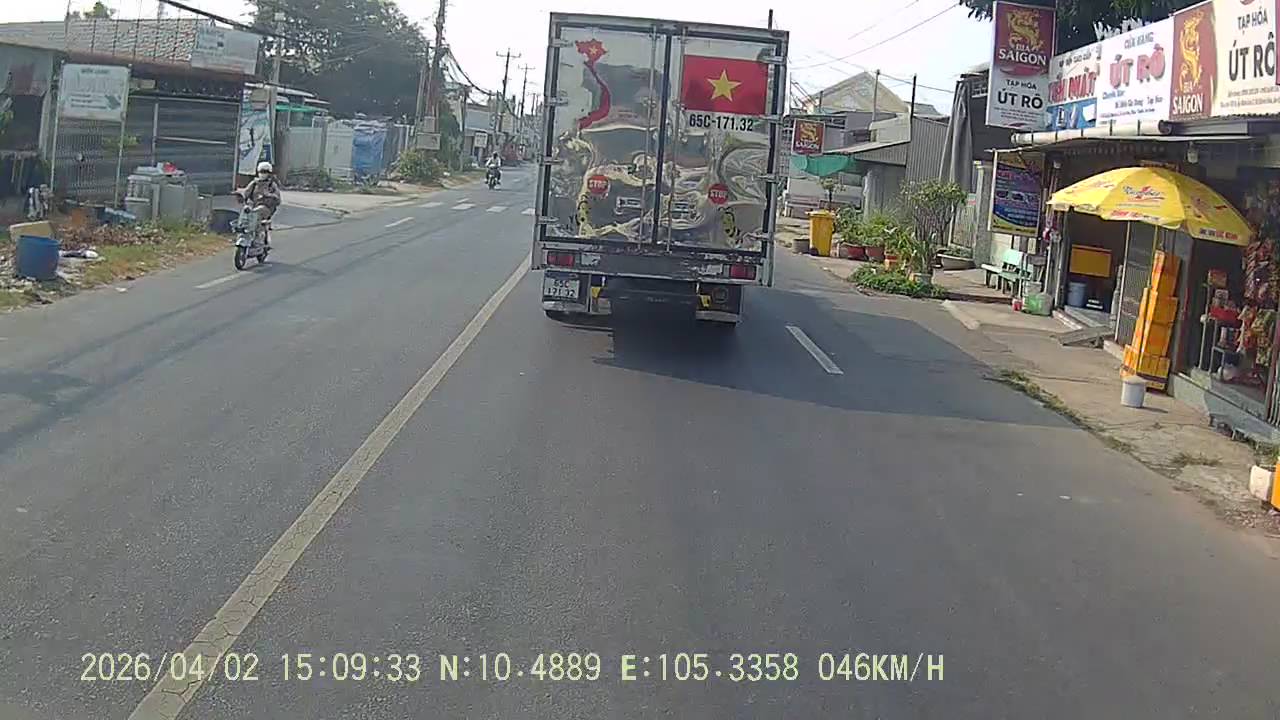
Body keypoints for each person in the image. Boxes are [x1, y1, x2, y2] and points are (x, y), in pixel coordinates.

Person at [238, 161, 281, 246]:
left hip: (267, 208)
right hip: (254, 207)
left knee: (259, 210)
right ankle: (242, 234)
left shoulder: (272, 185)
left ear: (269, 173)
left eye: (265, 172)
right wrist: (240, 195)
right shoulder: (254, 183)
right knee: (246, 211)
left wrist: (269, 195)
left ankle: (259, 238)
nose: (262, 174)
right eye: (261, 172)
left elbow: (278, 200)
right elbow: (246, 192)